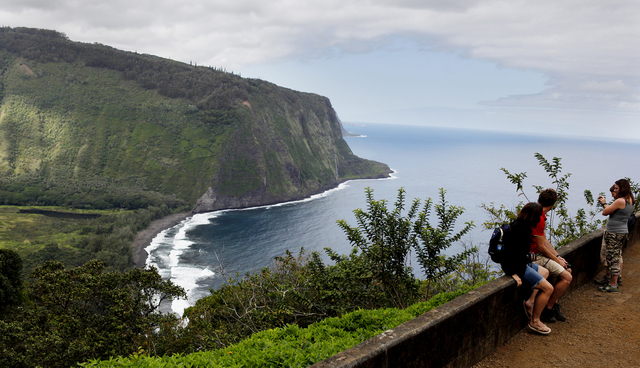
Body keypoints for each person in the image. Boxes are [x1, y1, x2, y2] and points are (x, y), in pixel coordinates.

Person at [501, 202, 554, 335]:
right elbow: (516, 255)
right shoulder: (525, 230)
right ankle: (535, 321)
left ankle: (530, 301)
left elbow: (515, 250)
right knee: (548, 289)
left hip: (518, 263)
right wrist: (514, 273)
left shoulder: (516, 224)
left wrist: (529, 256)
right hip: (518, 267)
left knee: (545, 272)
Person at [530, 188, 572, 323]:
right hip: (535, 256)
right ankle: (548, 308)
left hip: (538, 254)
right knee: (567, 276)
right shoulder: (538, 217)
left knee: (568, 268)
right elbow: (541, 247)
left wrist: (558, 256)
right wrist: (556, 259)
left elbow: (544, 241)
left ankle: (552, 305)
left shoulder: (539, 215)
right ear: (553, 204)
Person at [597, 179, 635, 292]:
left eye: (617, 188)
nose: (615, 190)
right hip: (623, 231)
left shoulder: (620, 201)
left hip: (614, 232)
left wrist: (604, 203)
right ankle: (617, 279)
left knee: (612, 257)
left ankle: (613, 284)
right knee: (618, 255)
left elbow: (605, 212)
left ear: (622, 188)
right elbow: (616, 212)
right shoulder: (630, 199)